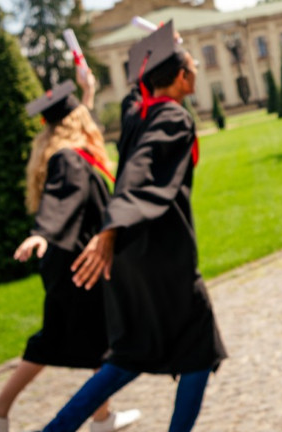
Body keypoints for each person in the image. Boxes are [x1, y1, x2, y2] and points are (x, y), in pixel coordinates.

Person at [38, 23, 226, 432]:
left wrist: (162, 48)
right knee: (200, 347)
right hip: (161, 255)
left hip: (129, 257)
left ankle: (54, 430)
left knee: (128, 355)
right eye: (190, 66)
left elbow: (136, 92)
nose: (194, 71)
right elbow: (141, 171)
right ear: (180, 79)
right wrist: (110, 229)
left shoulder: (135, 112)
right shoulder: (172, 118)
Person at [0, 77, 140, 432]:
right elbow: (60, 201)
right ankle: (98, 420)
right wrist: (42, 233)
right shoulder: (69, 159)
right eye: (86, 114)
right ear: (78, 122)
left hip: (69, 263)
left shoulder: (66, 153)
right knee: (101, 341)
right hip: (79, 265)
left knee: (59, 341)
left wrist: (88, 92)